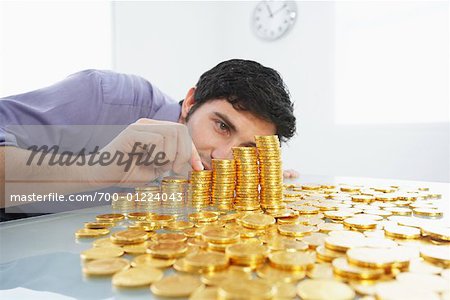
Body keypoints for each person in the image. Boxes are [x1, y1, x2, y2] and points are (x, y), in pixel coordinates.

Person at [0, 59, 298, 220]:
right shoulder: (104, 95)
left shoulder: (220, 172)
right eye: (221, 126)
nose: (223, 158)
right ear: (190, 102)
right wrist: (94, 170)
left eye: (247, 151)